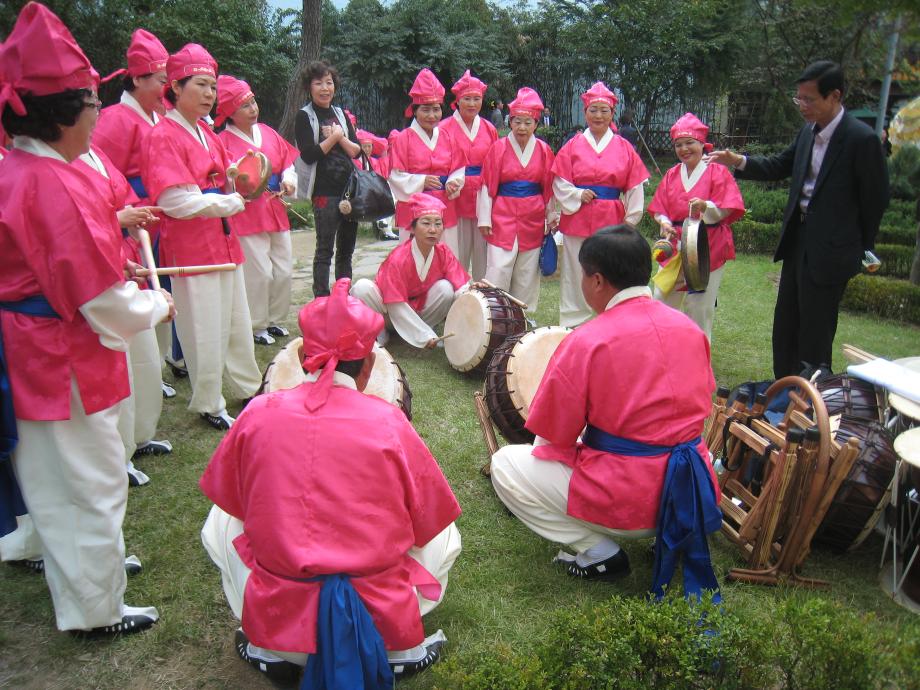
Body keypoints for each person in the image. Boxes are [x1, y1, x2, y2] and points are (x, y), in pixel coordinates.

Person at [0, 1, 175, 634]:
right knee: (90, 480)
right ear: (64, 112)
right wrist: (154, 303)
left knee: (54, 476)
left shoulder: (18, 168)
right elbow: (101, 299)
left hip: (32, 341)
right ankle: (94, 610)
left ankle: (76, 575)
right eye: (93, 103)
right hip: (58, 351)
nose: (99, 113)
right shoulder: (54, 183)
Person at [200, 278, 462, 684]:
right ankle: (400, 649)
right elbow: (431, 517)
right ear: (371, 364)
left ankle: (268, 648)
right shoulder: (388, 422)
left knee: (222, 516)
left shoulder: (257, 412)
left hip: (283, 617)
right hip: (376, 614)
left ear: (303, 353)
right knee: (444, 532)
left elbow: (230, 498)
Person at [489, 226, 721, 600]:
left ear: (597, 280)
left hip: (630, 503)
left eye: (582, 274)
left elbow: (553, 436)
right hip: (690, 491)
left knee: (506, 463)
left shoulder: (588, 339)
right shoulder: (689, 329)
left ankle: (598, 550)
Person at [707, 61, 889, 378]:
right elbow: (780, 165)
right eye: (799, 99)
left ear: (834, 96)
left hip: (832, 249)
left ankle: (811, 402)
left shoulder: (861, 140)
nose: (802, 106)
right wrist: (738, 161)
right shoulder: (808, 132)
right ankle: (784, 395)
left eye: (809, 99)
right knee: (786, 325)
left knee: (815, 332)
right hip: (798, 241)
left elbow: (875, 200)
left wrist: (858, 248)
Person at [141, 43, 263, 431]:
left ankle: (249, 386)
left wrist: (232, 178)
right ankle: (209, 401)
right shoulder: (163, 135)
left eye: (213, 86)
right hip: (192, 250)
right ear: (175, 87)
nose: (210, 94)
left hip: (222, 242)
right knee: (205, 330)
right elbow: (173, 200)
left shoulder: (205, 134)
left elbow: (215, 175)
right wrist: (225, 202)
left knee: (236, 321)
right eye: (201, 84)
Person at [75, 141, 172, 487]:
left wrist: (128, 234)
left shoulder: (97, 153)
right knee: (121, 372)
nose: (95, 112)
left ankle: (140, 436)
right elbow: (74, 233)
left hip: (119, 262)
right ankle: (120, 453)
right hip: (96, 284)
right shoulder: (50, 170)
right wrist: (119, 219)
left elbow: (121, 195)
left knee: (145, 361)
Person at [92, 28, 183, 388]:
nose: (166, 89)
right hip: (134, 222)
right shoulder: (114, 120)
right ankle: (147, 371)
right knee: (142, 293)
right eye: (162, 81)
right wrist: (123, 217)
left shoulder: (159, 118)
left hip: (160, 216)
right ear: (138, 79)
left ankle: (160, 365)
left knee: (164, 293)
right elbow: (100, 178)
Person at [552, 82, 649, 326]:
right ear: (585, 113)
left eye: (604, 110)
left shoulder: (624, 147)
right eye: (593, 110)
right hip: (578, 218)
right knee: (575, 271)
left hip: (610, 218)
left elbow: (635, 185)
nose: (598, 115)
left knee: (609, 272)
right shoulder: (572, 145)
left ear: (612, 114)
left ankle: (609, 321)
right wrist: (576, 194)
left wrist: (630, 220)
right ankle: (572, 322)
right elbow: (559, 182)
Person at [215, 75, 298, 347]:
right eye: (244, 106)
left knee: (284, 267)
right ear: (229, 113)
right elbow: (223, 178)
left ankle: (276, 319)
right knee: (259, 271)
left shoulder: (268, 131)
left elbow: (287, 162)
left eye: (253, 102)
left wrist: (288, 180)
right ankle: (256, 324)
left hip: (275, 205)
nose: (252, 109)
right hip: (247, 211)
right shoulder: (223, 141)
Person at [649, 113, 745, 340]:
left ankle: (697, 354)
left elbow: (727, 208)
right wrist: (664, 222)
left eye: (689, 143)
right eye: (678, 144)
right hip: (675, 245)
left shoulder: (717, 171)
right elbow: (660, 206)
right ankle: (664, 347)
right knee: (662, 297)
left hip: (707, 245)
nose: (684, 149)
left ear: (702, 143)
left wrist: (706, 207)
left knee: (699, 306)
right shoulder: (672, 174)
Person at [351, 193, 470, 349]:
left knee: (446, 288)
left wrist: (471, 290)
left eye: (438, 224)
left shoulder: (442, 252)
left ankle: (426, 327)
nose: (433, 230)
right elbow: (395, 304)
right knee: (362, 288)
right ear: (413, 228)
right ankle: (380, 330)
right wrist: (423, 335)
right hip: (388, 313)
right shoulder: (399, 258)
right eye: (426, 223)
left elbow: (460, 284)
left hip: (418, 310)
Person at [477, 87, 558, 310]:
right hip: (502, 213)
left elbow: (548, 187)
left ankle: (524, 315)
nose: (522, 127)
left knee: (527, 270)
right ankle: (496, 315)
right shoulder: (498, 148)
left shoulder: (543, 150)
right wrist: (484, 218)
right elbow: (487, 184)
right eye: (517, 121)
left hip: (532, 215)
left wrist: (551, 214)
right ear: (510, 122)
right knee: (498, 266)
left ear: (536, 124)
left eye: (528, 122)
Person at [293, 60, 362, 298]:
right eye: (318, 83)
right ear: (309, 88)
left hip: (348, 191)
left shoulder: (341, 114)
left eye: (329, 82)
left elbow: (356, 151)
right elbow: (309, 154)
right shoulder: (305, 116)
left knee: (346, 249)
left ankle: (344, 297)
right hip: (324, 192)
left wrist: (339, 136)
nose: (325, 88)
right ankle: (321, 299)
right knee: (324, 250)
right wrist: (333, 139)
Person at [388, 69, 466, 251]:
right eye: (425, 110)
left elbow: (458, 169)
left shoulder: (448, 137)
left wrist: (454, 183)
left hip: (444, 205)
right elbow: (395, 176)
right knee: (413, 256)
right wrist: (422, 181)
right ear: (414, 111)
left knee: (446, 254)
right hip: (414, 208)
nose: (432, 115)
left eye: (436, 109)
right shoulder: (403, 138)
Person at [439, 70, 498, 279]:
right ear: (458, 100)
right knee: (457, 253)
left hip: (482, 195)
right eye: (467, 99)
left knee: (485, 255)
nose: (472, 104)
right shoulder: (444, 128)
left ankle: (484, 300)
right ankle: (457, 299)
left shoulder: (489, 128)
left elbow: (494, 163)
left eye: (477, 99)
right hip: (455, 196)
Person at [356, 128, 399, 240]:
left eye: (369, 146)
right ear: (359, 147)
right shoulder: (354, 161)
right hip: (360, 190)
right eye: (364, 146)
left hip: (374, 189)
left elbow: (380, 177)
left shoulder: (374, 162)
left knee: (393, 198)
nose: (367, 149)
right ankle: (385, 228)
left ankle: (384, 225)